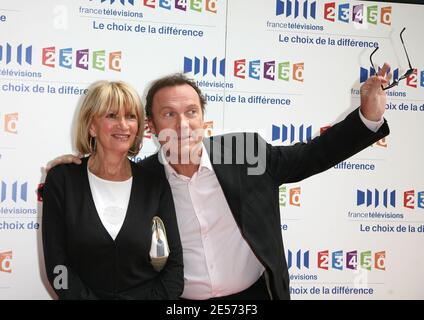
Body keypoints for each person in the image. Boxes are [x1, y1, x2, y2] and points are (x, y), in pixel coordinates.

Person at [47, 64, 391, 300]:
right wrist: (68, 174)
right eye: (169, 114)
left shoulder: (245, 154)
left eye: (191, 112)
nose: (183, 124)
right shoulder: (146, 178)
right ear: (150, 126)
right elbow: (100, 190)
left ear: (203, 118)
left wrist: (367, 118)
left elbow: (313, 155)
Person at [41, 80, 183, 300]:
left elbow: (174, 266)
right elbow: (58, 268)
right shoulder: (62, 180)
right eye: (111, 116)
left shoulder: (154, 184)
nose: (123, 125)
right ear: (91, 125)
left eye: (131, 116)